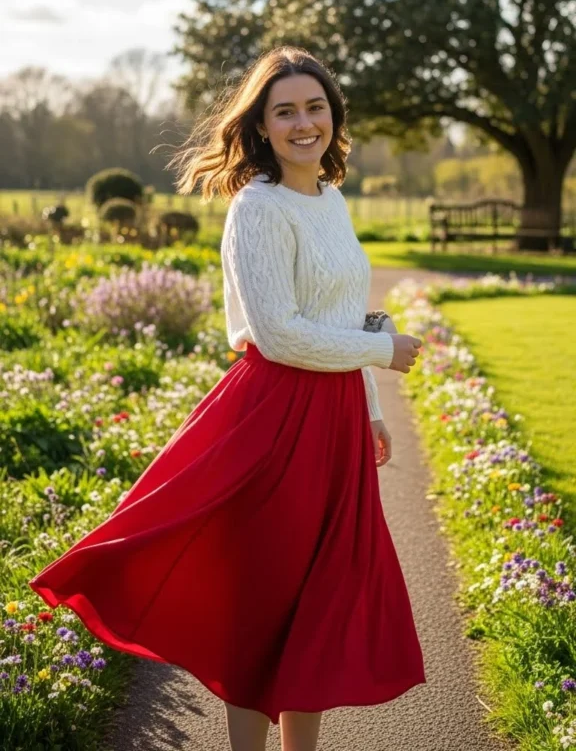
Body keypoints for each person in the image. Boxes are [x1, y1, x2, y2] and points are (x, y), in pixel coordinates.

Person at [29, 45, 425, 751]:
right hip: (275, 417)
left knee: (320, 604)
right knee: (267, 604)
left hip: (335, 419)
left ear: (334, 115)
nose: (305, 123)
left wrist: (368, 406)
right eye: (286, 111)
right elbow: (278, 334)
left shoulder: (330, 200)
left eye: (316, 107)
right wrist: (381, 352)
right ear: (262, 127)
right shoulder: (259, 206)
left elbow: (340, 314)